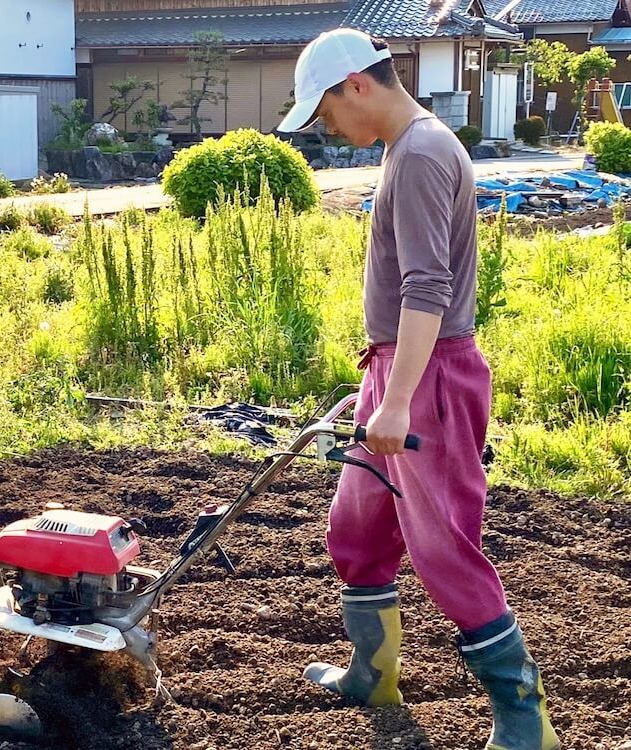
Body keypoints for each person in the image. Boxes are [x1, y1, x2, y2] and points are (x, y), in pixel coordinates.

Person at [277, 28, 559, 750]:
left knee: (444, 547)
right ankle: (373, 673)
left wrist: (399, 399)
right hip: (398, 369)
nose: (331, 129)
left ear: (358, 87)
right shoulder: (408, 150)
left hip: (429, 379)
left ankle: (525, 723)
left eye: (327, 113)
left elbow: (427, 286)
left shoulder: (426, 153)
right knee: (358, 527)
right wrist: (379, 378)